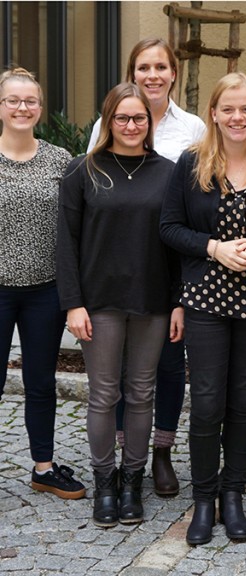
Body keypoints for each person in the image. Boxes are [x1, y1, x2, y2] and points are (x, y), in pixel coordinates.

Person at [160, 72, 246, 546]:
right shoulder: (192, 163)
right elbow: (169, 228)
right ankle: (204, 498)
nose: (238, 117)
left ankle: (233, 494)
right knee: (209, 400)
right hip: (206, 300)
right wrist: (214, 248)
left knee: (244, 400)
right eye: (228, 109)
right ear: (213, 113)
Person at [57, 83, 181, 528]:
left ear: (150, 123)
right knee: (105, 395)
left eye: (140, 118)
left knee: (143, 393)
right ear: (108, 121)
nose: (131, 126)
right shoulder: (83, 170)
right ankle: (105, 481)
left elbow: (176, 245)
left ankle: (133, 480)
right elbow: (66, 244)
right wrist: (73, 304)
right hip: (100, 302)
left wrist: (178, 304)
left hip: (152, 301)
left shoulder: (169, 172)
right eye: (122, 118)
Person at [88, 38, 205, 497]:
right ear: (132, 73)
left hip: (167, 270)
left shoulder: (193, 127)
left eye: (161, 66)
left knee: (169, 367)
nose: (152, 74)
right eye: (143, 66)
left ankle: (159, 454)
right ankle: (119, 458)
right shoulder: (106, 125)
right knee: (118, 376)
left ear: (174, 72)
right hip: (114, 275)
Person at [0, 67, 85, 500]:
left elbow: (73, 229)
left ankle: (44, 467)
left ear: (40, 106)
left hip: (44, 291)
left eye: (29, 100)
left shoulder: (60, 159)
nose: (22, 107)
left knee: (40, 381)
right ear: (0, 106)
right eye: (13, 100)